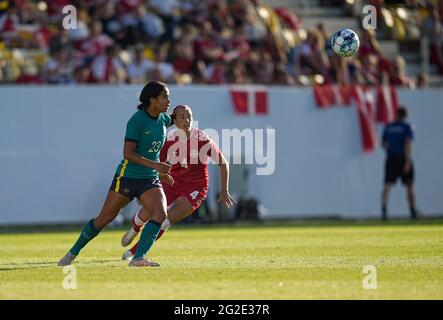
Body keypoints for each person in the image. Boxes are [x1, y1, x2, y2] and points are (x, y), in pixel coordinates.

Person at [58, 81, 173, 267]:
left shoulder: (164, 119)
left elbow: (178, 118)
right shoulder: (137, 120)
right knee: (104, 219)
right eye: (165, 96)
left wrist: (186, 117)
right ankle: (73, 252)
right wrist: (157, 165)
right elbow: (128, 154)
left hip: (149, 178)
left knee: (160, 213)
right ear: (152, 100)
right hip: (127, 177)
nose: (169, 100)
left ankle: (138, 258)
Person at [121, 104, 236, 260]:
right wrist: (146, 190)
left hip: (195, 187)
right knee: (148, 211)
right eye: (182, 116)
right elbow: (156, 164)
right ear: (174, 120)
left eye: (189, 116)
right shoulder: (168, 140)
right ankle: (135, 228)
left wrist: (224, 190)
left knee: (165, 221)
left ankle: (134, 252)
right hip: (171, 182)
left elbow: (223, 163)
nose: (187, 120)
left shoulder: (203, 140)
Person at [381, 106, 419, 220]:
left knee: (387, 185)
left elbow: (383, 144)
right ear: (405, 115)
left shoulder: (388, 127)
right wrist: (407, 161)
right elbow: (408, 144)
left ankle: (384, 211)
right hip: (403, 158)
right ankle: (412, 211)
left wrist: (391, 149)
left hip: (391, 158)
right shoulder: (407, 127)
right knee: (409, 185)